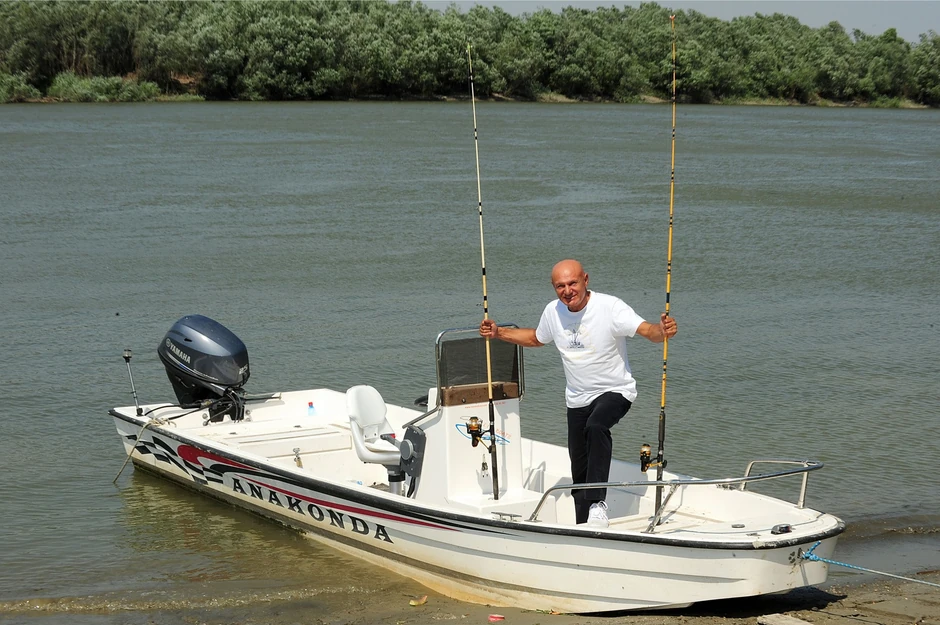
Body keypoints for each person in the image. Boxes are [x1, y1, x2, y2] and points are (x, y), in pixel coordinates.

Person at [479, 259, 677, 528]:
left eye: (572, 283)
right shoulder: (553, 312)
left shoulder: (610, 307)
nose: (567, 290)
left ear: (586, 279)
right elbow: (537, 338)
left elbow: (647, 331)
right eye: (560, 286)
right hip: (576, 399)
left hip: (615, 391)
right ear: (554, 288)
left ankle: (598, 504)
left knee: (597, 426)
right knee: (579, 467)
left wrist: (661, 330)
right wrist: (499, 332)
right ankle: (583, 525)